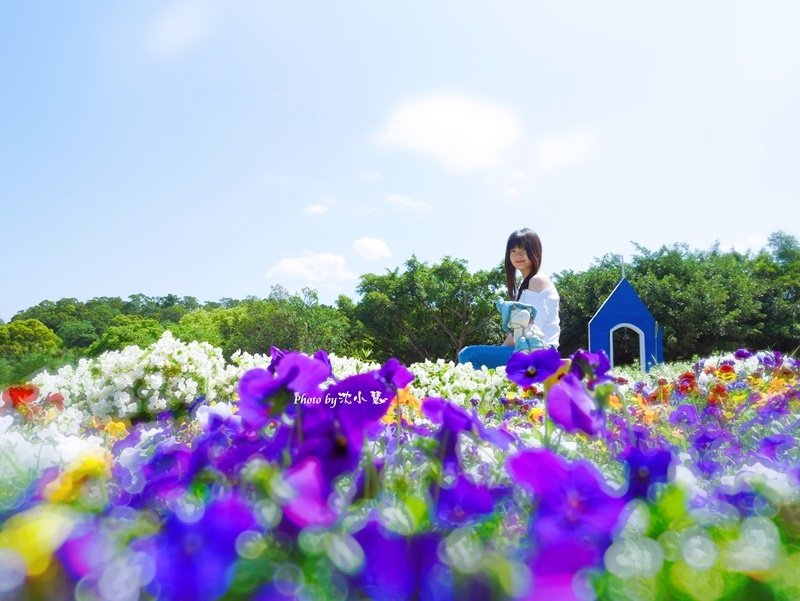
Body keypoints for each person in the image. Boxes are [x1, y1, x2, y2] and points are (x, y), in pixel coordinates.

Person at [458, 228, 560, 369]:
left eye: (524, 249)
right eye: (513, 251)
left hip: (538, 351)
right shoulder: (526, 285)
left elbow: (528, 327)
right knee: (474, 356)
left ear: (535, 251)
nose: (518, 255)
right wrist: (500, 350)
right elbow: (518, 330)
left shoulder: (537, 281)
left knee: (469, 355)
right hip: (527, 350)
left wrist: (499, 352)